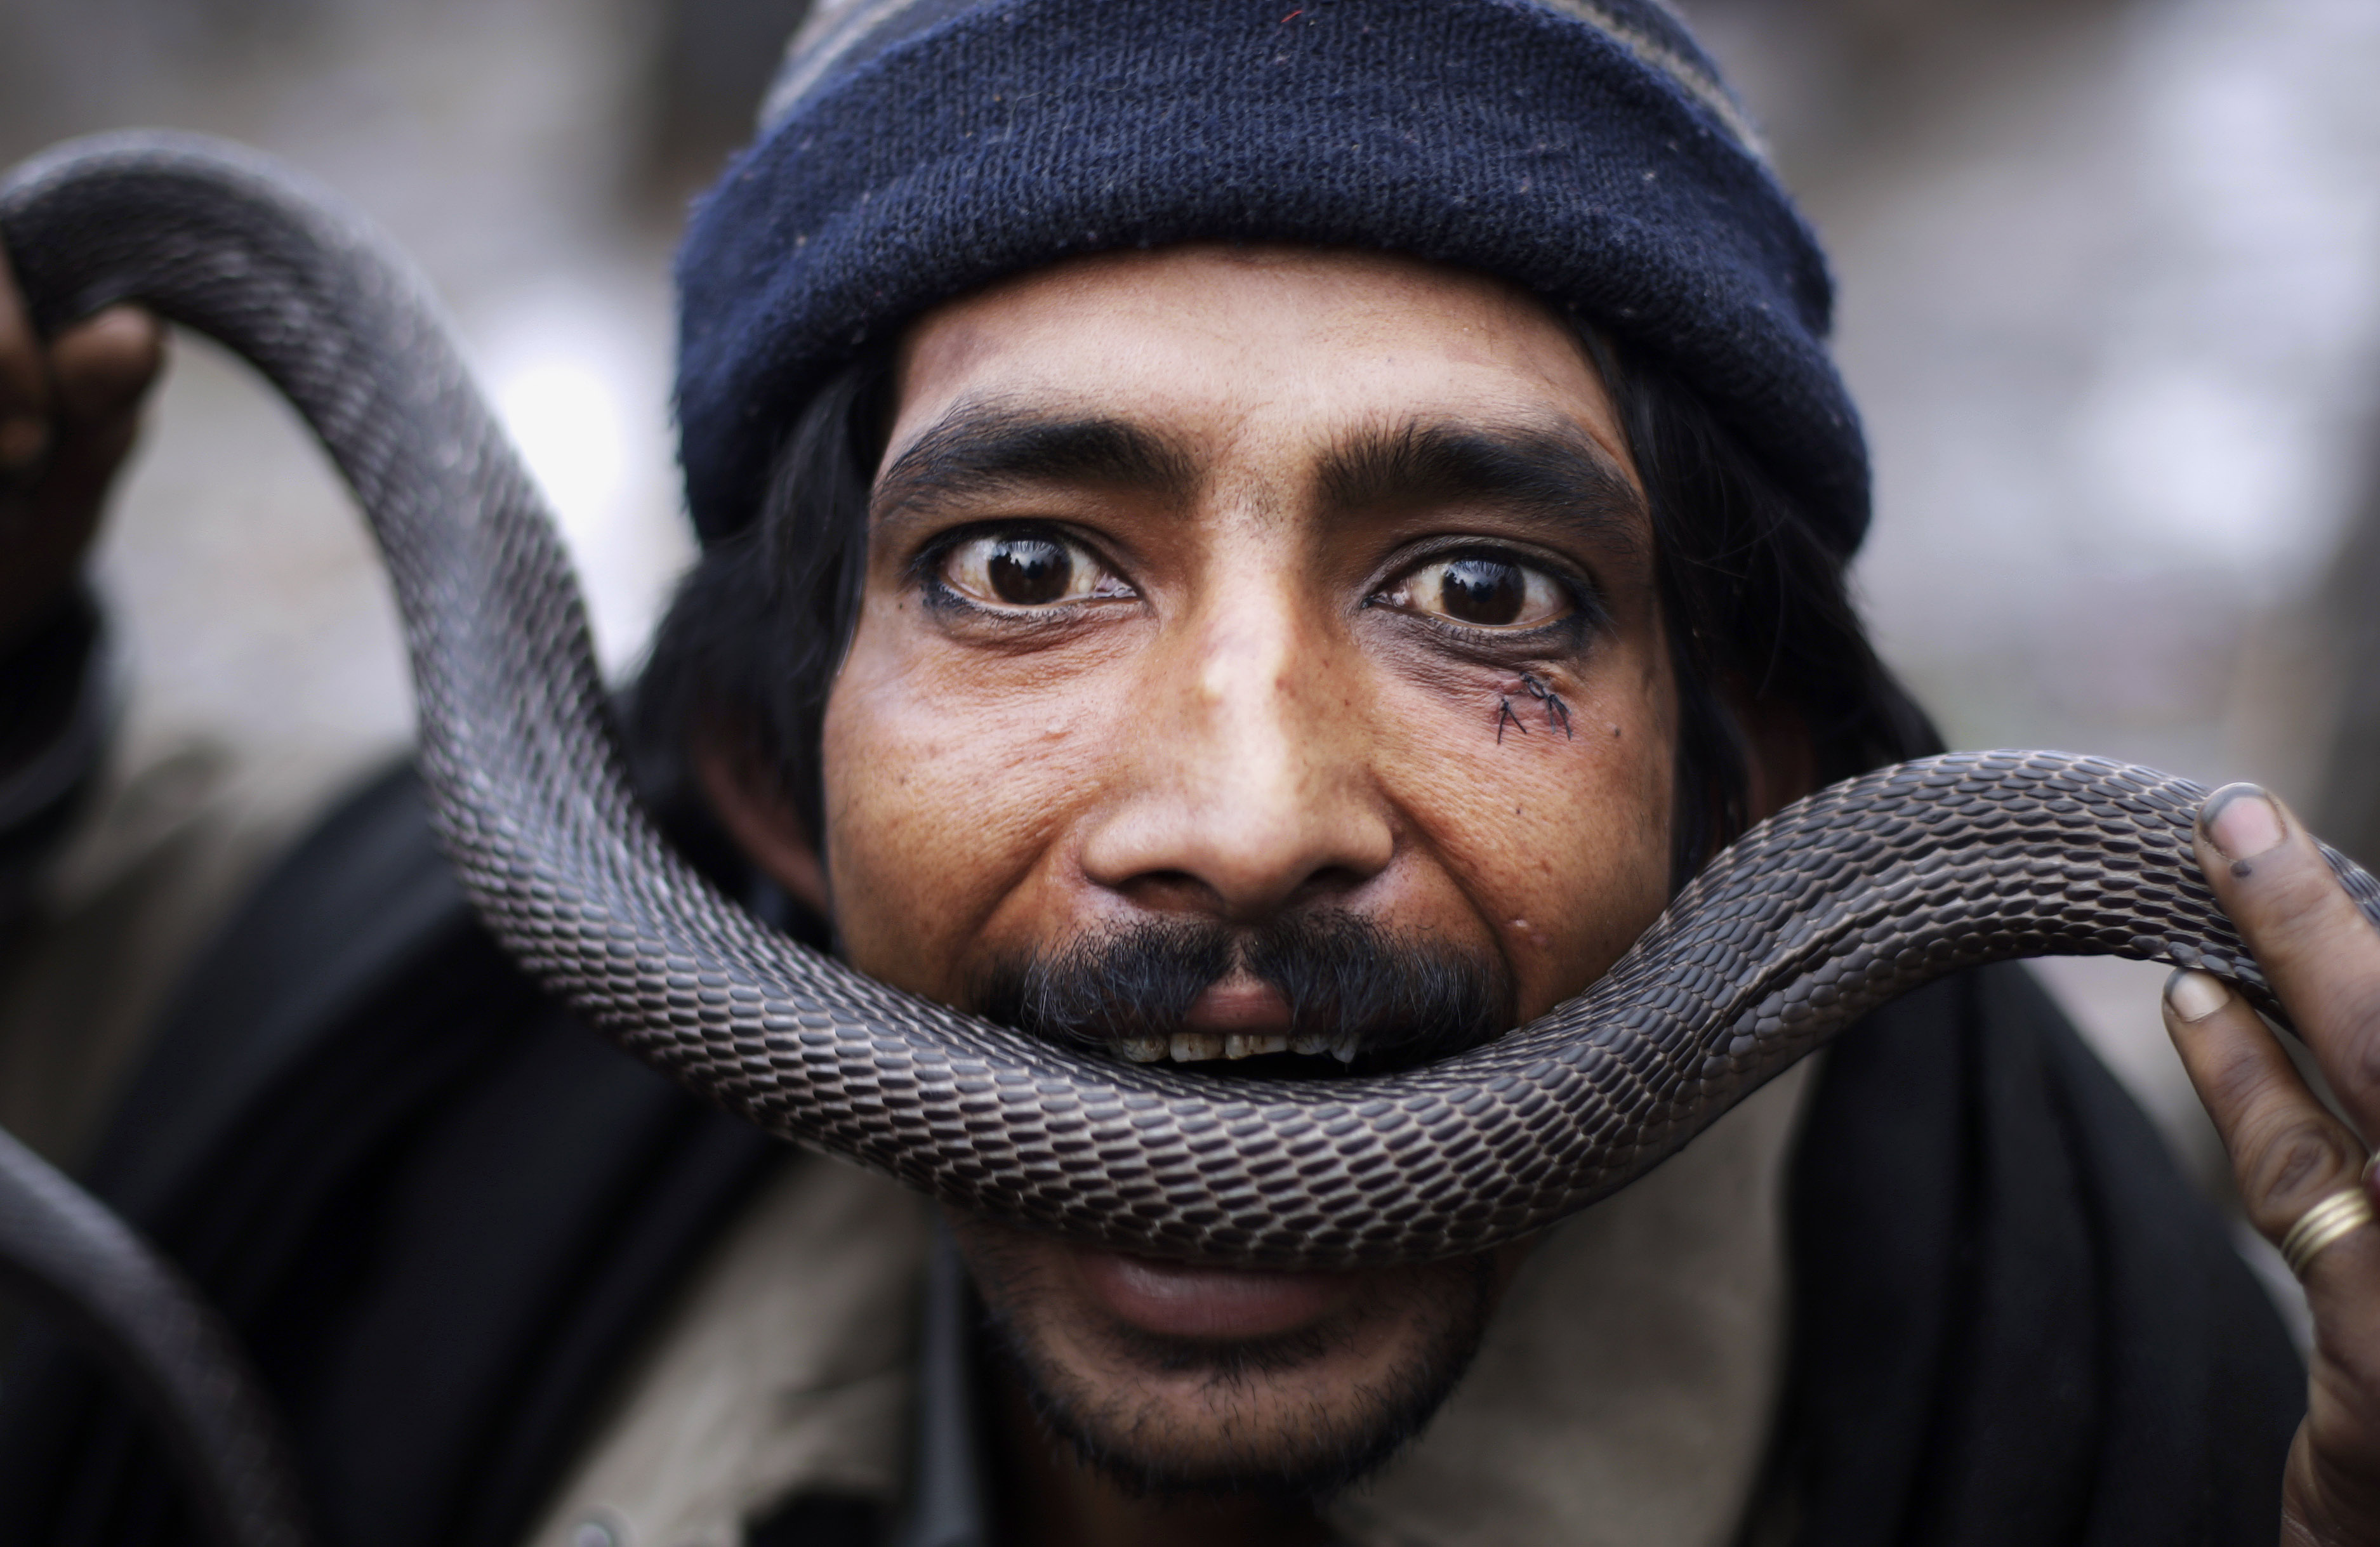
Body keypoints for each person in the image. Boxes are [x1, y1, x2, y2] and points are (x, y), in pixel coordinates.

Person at [0, 2, 2374, 1544]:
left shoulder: (2136, 1430)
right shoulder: (333, 1083)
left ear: (1738, 803)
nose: (1245, 817)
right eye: (1026, 565)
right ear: (755, 780)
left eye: (1481, 595)